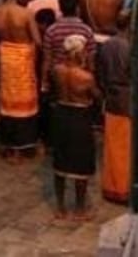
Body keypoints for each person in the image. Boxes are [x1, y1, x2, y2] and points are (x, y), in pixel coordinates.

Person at [0, 0, 41, 163]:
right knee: (24, 103)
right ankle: (21, 148)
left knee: (7, 103)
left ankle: (10, 148)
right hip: (23, 61)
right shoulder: (26, 14)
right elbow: (38, 41)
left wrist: (4, 48)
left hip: (6, 61)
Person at [50, 34, 99, 220]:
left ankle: (60, 206)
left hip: (62, 114)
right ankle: (79, 208)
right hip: (80, 116)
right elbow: (96, 96)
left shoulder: (57, 71)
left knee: (60, 160)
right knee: (81, 163)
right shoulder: (86, 77)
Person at [97, 11, 133, 204]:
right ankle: (124, 187)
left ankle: (112, 186)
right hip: (127, 98)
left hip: (111, 97)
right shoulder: (128, 47)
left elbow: (100, 72)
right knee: (125, 146)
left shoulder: (106, 46)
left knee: (112, 144)